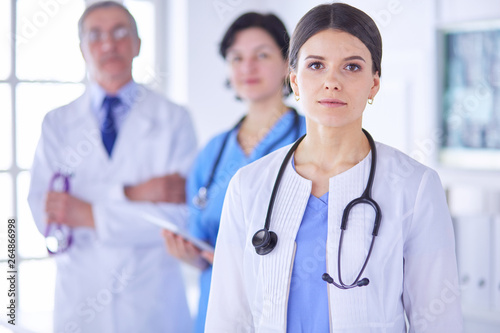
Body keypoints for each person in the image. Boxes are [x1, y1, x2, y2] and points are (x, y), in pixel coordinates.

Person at [205, 3, 463, 332]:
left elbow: (438, 320)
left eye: (352, 67)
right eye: (316, 65)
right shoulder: (248, 185)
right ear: (295, 81)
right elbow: (228, 318)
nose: (331, 81)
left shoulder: (414, 186)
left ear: (374, 83)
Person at [28, 2, 195, 332]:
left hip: (152, 300)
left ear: (137, 44)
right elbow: (46, 215)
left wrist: (88, 212)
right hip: (81, 295)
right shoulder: (57, 123)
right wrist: (135, 193)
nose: (109, 44)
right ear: (82, 48)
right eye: (96, 35)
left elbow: (177, 219)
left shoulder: (174, 118)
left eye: (120, 33)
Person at [162, 12, 306, 333]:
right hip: (217, 309)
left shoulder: (311, 139)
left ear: (287, 65)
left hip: (285, 307)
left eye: (262, 55)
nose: (247, 67)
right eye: (236, 58)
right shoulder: (213, 152)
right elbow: (199, 233)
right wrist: (191, 254)